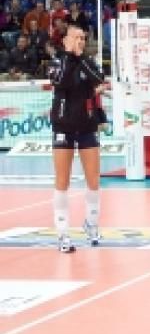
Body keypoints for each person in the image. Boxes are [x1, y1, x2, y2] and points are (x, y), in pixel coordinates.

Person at [48, 26, 108, 253]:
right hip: (63, 126)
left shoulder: (87, 61)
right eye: (76, 38)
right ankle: (63, 232)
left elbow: (99, 79)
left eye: (83, 38)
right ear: (65, 40)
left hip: (87, 125)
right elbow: (61, 81)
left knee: (93, 178)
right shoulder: (57, 62)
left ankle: (91, 223)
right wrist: (69, 57)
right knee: (62, 179)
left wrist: (81, 58)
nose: (80, 41)